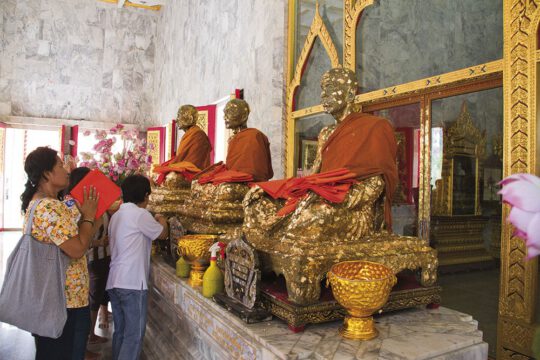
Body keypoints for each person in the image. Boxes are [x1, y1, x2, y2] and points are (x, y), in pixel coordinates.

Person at [20, 147, 99, 359]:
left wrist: (91, 214)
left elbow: (80, 238)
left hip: (62, 298)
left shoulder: (51, 204)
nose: (66, 170)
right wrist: (89, 217)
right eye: (60, 165)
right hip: (62, 301)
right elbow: (77, 249)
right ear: (46, 173)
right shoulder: (48, 208)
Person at [106, 174, 168, 360]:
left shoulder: (116, 215)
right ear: (145, 195)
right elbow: (162, 234)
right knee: (134, 336)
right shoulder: (140, 214)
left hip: (115, 281)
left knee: (121, 332)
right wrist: (161, 218)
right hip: (131, 283)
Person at [65, 167, 112, 359]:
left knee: (81, 320)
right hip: (72, 277)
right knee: (76, 323)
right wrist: (93, 219)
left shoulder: (85, 206)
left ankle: (82, 348)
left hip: (81, 274)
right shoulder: (70, 206)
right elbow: (78, 244)